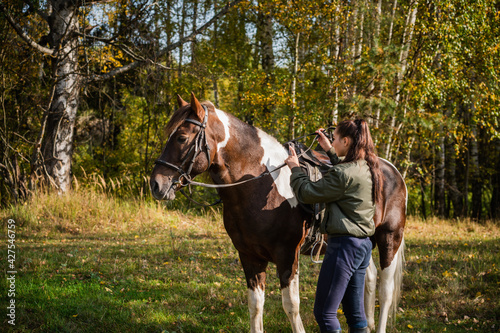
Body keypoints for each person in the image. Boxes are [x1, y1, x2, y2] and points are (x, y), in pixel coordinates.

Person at [285, 119, 383, 333]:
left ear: (346, 141)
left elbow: (307, 193)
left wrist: (295, 169)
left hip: (344, 248)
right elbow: (345, 175)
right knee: (355, 313)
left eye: (335, 139)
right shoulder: (366, 166)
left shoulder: (343, 174)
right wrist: (329, 151)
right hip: (362, 246)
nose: (333, 141)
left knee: (324, 313)